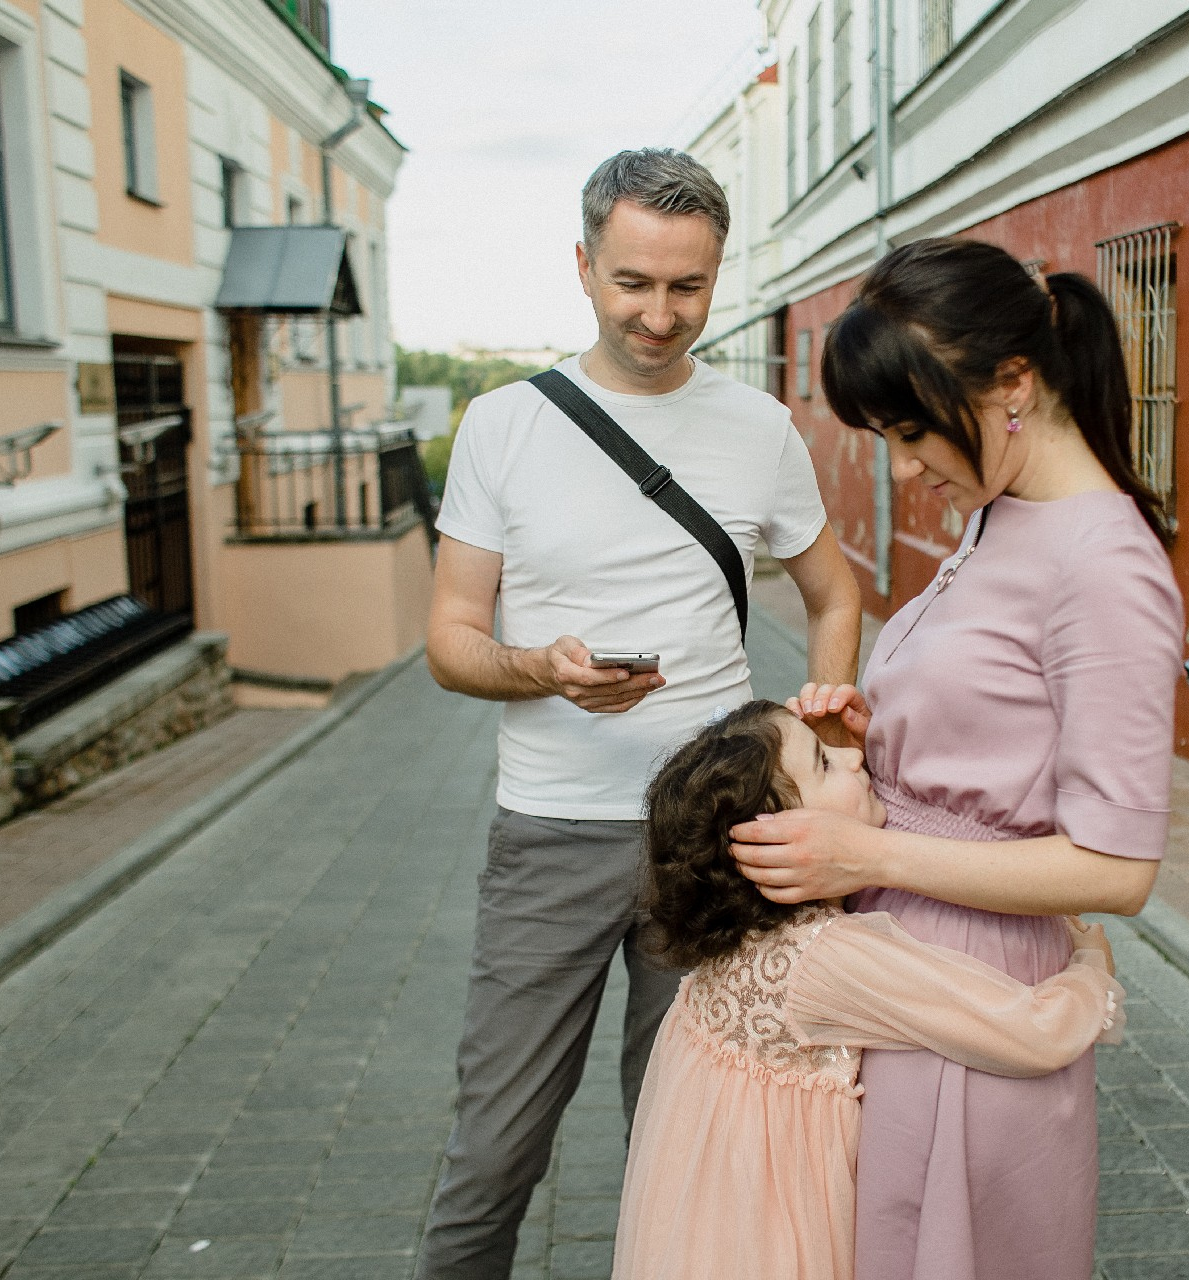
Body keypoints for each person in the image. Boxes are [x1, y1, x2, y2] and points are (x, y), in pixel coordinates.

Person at [417, 149, 863, 1279]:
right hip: (551, 830)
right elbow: (450, 640)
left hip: (717, 837)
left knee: (697, 1147)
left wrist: (819, 730)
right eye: (633, 282)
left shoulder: (759, 427)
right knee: (495, 1149)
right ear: (582, 266)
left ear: (716, 275)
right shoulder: (502, 425)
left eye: (687, 286)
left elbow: (835, 589)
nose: (660, 314)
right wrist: (540, 668)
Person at [730, 237, 1184, 1280]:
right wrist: (862, 743)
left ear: (1013, 383)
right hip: (905, 972)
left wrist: (869, 860)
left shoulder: (1104, 563)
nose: (900, 467)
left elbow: (1117, 870)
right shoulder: (997, 514)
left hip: (974, 998)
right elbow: (982, 743)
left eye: (910, 429)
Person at [616, 701, 1124, 1280]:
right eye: (824, 765)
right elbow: (1029, 1032)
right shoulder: (823, 960)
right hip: (780, 1240)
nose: (854, 755)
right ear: (781, 834)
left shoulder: (735, 940)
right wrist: (1090, 970)